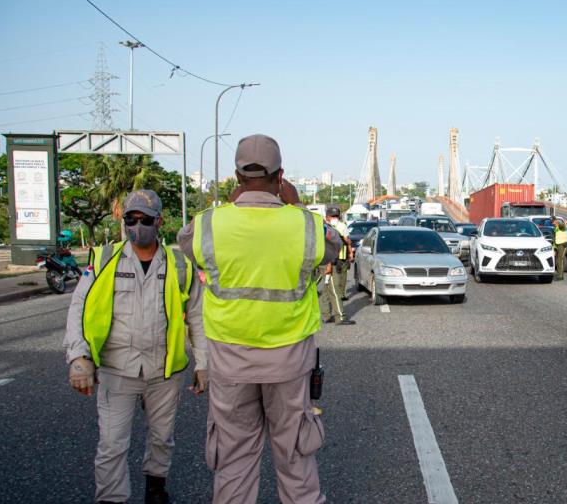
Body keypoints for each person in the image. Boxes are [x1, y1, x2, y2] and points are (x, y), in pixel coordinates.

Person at [177, 134, 341, 504]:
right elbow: (334, 245)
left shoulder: (207, 226)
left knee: (233, 463)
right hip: (288, 363)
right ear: (280, 176)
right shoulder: (304, 226)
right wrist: (297, 207)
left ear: (236, 177)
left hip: (230, 364)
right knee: (296, 460)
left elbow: (185, 241)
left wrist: (230, 206)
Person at [63, 189, 208, 504]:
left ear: (160, 222)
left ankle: (156, 487)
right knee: (112, 444)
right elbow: (79, 309)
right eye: (132, 218)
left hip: (165, 369)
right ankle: (112, 498)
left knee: (162, 438)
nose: (138, 225)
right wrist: (78, 356)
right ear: (124, 220)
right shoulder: (104, 260)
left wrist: (203, 363)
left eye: (146, 219)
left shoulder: (180, 265)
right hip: (118, 368)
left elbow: (196, 316)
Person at [320, 207, 356, 324]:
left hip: (327, 261)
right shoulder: (327, 229)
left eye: (336, 216)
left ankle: (326, 315)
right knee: (335, 290)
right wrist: (329, 265)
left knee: (326, 290)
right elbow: (327, 248)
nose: (335, 219)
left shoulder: (324, 228)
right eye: (333, 216)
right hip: (330, 262)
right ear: (327, 217)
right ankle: (340, 317)